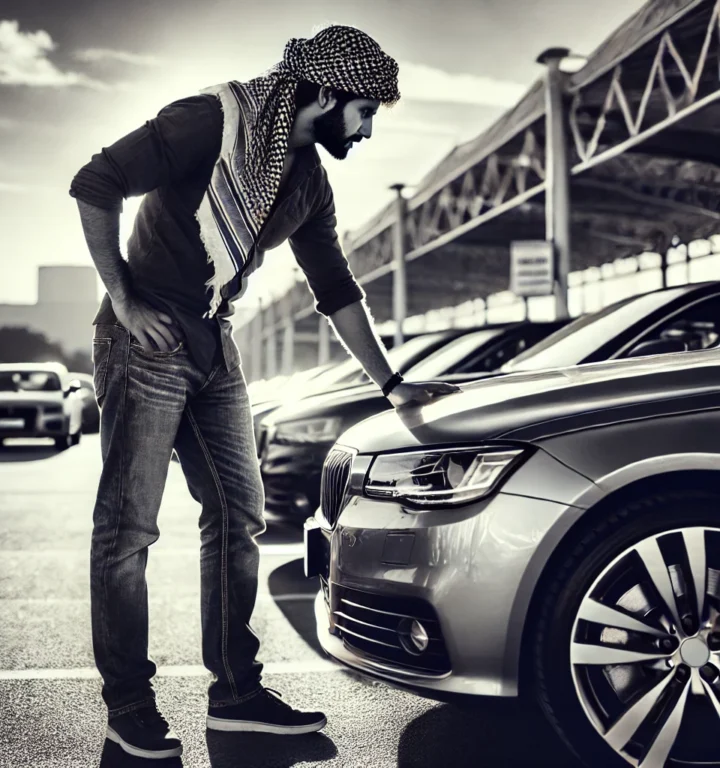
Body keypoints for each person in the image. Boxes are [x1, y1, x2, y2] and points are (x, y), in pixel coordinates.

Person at [70, 24, 457, 761]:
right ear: (327, 92)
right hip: (144, 340)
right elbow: (95, 182)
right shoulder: (211, 120)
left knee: (239, 517)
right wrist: (122, 299)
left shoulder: (309, 180)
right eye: (366, 110)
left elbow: (336, 289)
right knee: (129, 533)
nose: (369, 129)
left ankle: (237, 696)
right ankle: (129, 707)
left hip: (214, 344)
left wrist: (395, 384)